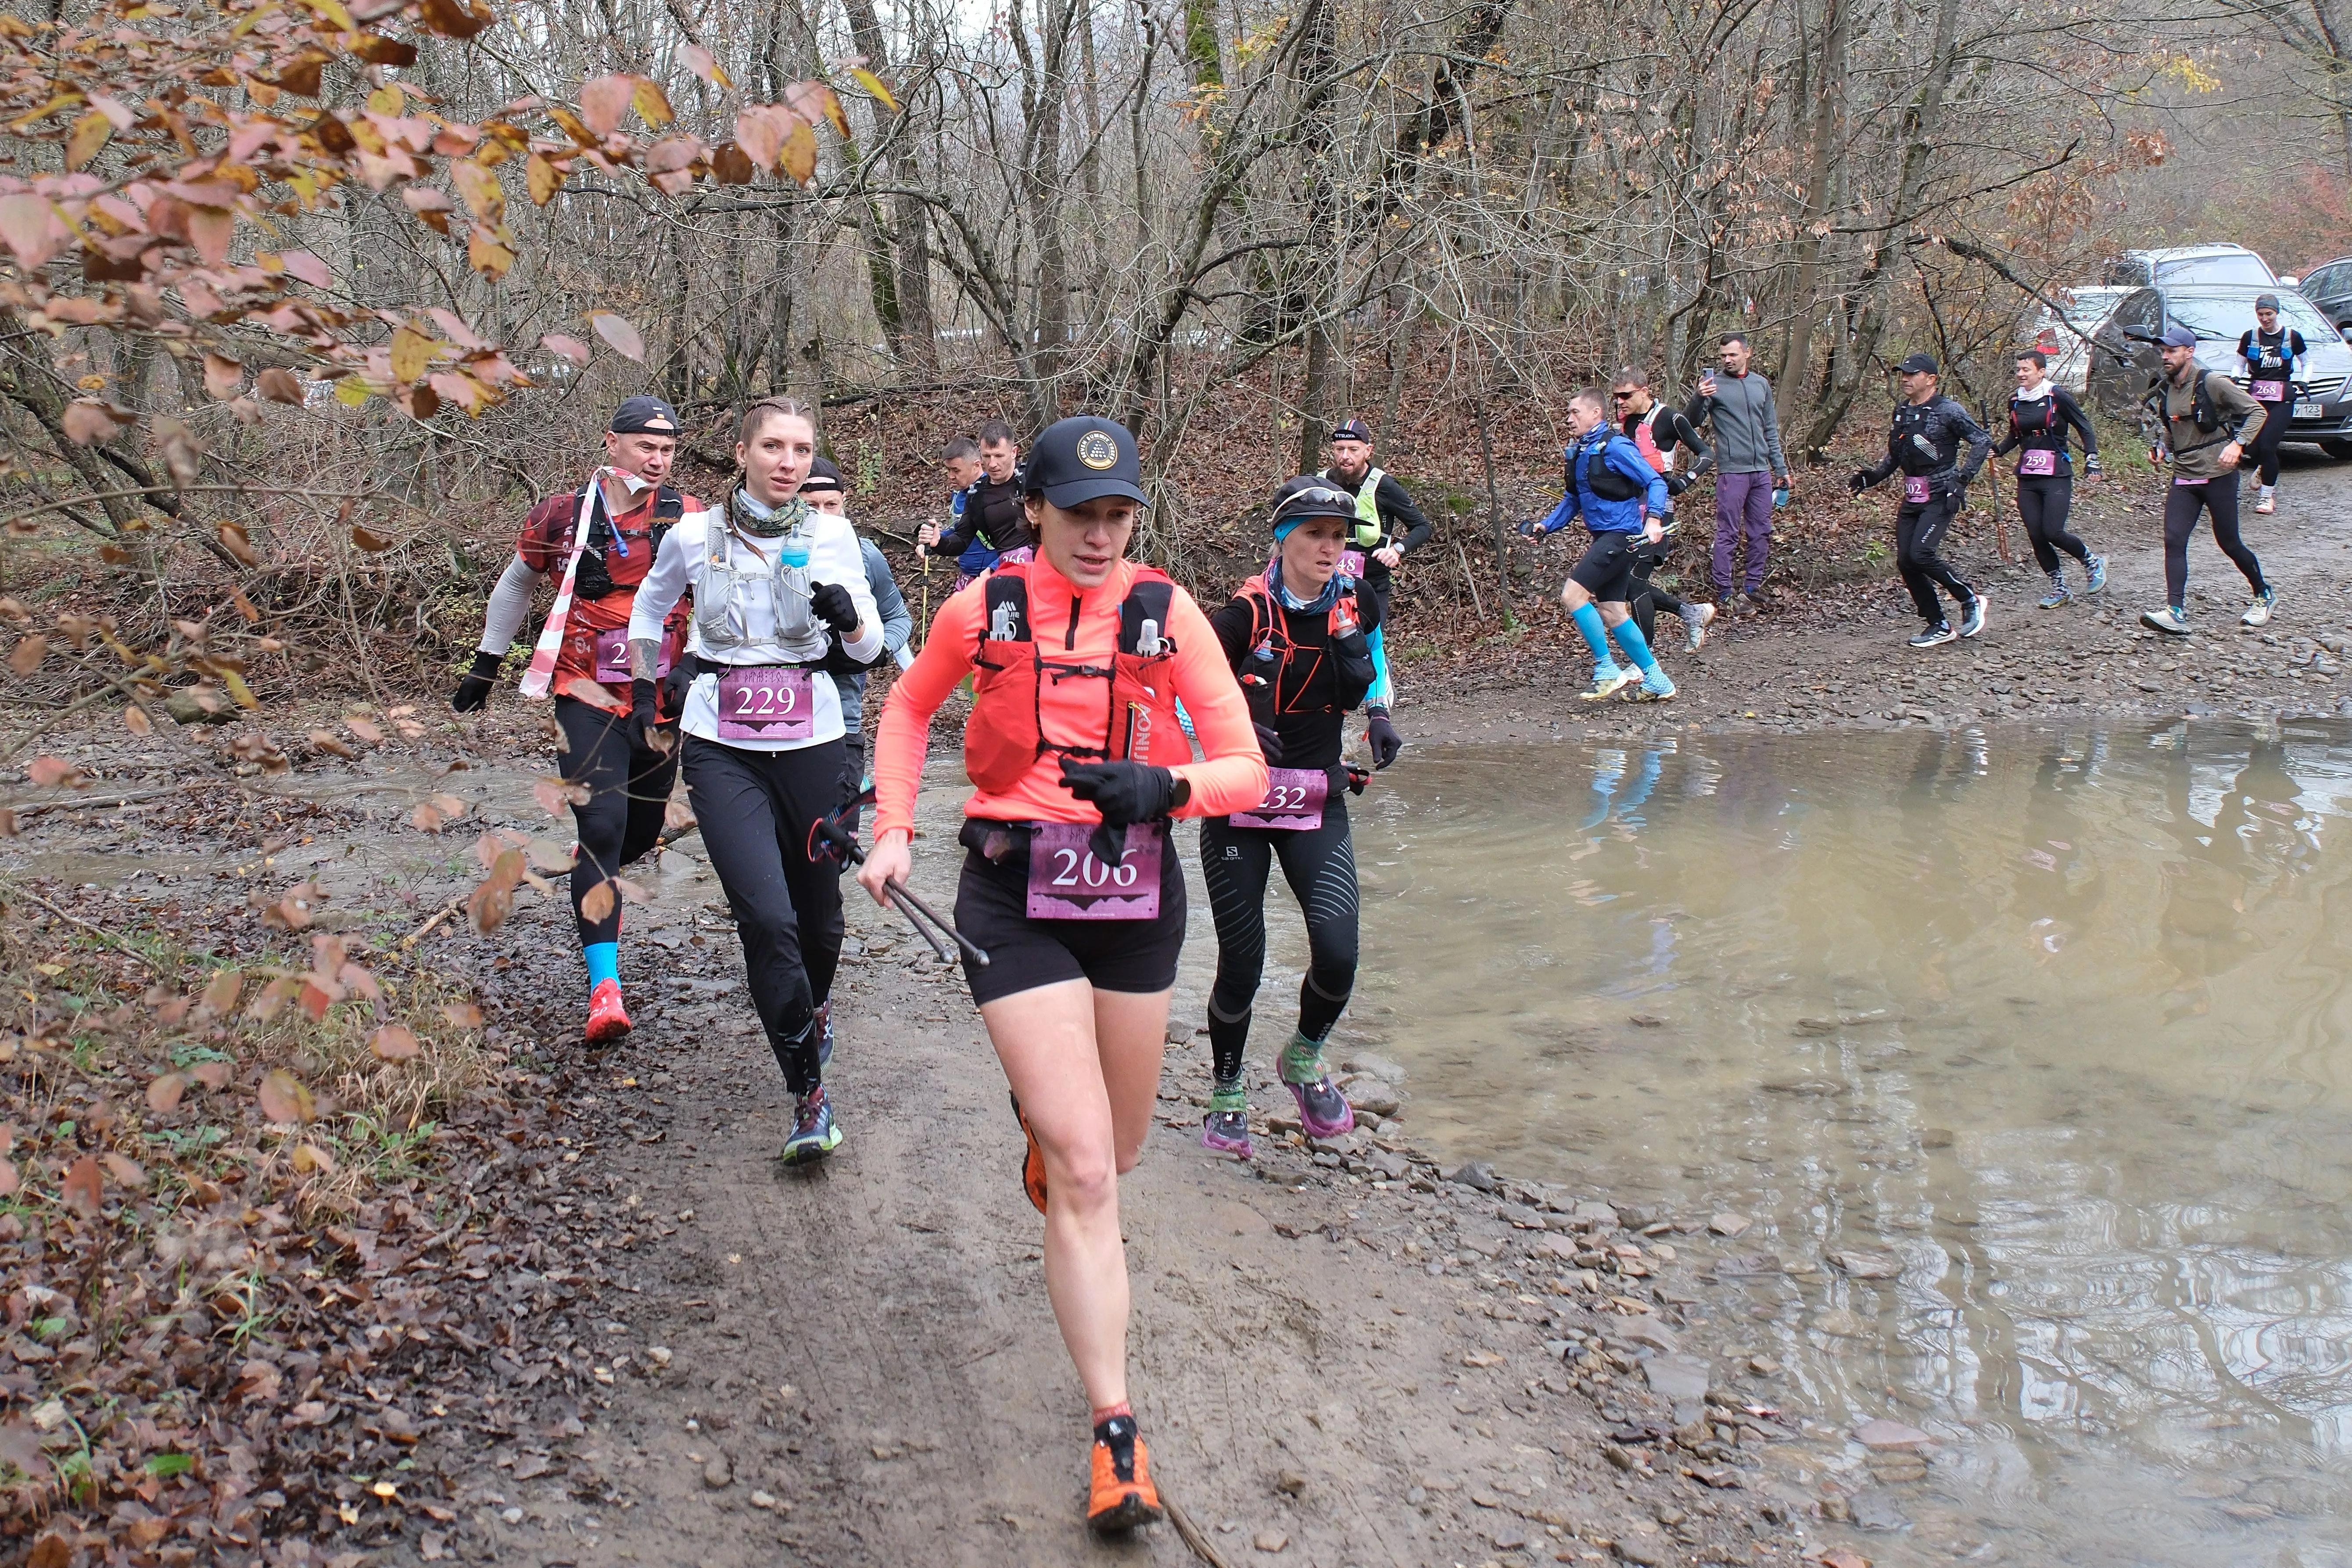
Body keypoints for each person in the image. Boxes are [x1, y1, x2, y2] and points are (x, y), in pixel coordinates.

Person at [861, 416, 1266, 1533]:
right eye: (1080, 514)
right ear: (1032, 508)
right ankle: (1114, 1431)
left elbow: (1244, 767)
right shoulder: (982, 607)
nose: (1100, 534)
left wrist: (1165, 787)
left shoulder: (1167, 612)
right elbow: (907, 707)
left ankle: (1051, 1125)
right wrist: (893, 828)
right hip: (1012, 889)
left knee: (1116, 1153)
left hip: (1135, 901)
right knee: (1088, 1172)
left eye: (1118, 515)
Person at [626, 398, 884, 1163]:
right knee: (768, 920)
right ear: (742, 453)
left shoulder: (834, 536)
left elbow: (869, 649)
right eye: (773, 446)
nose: (789, 461)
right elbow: (648, 608)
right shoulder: (692, 535)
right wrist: (645, 686)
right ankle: (809, 1095)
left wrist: (849, 618)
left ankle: (816, 1002)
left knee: (819, 921)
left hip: (814, 743)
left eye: (801, 449)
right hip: (721, 746)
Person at [450, 395, 697, 1045]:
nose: (658, 459)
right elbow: (516, 585)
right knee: (602, 826)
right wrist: (486, 663)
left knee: (636, 834)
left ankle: (597, 863)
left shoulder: (689, 515)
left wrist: (697, 662)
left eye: (668, 449)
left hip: (661, 696)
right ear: (611, 443)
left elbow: (722, 594)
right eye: (646, 446)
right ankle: (604, 989)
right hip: (583, 691)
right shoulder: (560, 515)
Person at [1198, 478, 1401, 1160]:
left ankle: (1303, 1056)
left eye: (1339, 536)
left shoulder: (1356, 598)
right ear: (1283, 539)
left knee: (1339, 953)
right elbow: (1183, 688)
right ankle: (1228, 1088)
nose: (1329, 547)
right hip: (1239, 802)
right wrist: (1233, 726)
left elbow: (1374, 655)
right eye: (1314, 533)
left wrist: (1379, 714)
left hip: (1315, 795)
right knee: (1244, 961)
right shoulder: (1244, 614)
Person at [1518, 388, 1676, 700]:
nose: (1569, 419)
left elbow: (1656, 482)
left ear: (1596, 414)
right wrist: (1546, 526)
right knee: (1613, 611)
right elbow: (1573, 499)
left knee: (1572, 595)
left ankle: (1607, 668)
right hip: (1605, 537)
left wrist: (1654, 518)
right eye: (1568, 413)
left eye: (1575, 413)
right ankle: (1658, 680)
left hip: (1622, 536)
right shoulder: (1580, 452)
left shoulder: (1617, 447)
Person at [1847, 352, 1993, 649]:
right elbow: (1898, 454)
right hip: (1913, 495)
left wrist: (1961, 481)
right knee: (1906, 561)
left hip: (1941, 494)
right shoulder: (1902, 410)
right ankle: (1938, 624)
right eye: (1903, 374)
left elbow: (1982, 441)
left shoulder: (1949, 410)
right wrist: (1873, 477)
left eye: (1913, 374)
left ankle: (1970, 599)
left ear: (1931, 379)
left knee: (1922, 553)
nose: (1905, 379)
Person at [2140, 324, 2273, 633]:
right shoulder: (2164, 389)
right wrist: (2162, 450)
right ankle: (2175, 611)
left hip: (2218, 475)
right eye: (2163, 351)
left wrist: (2238, 444)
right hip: (2185, 476)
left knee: (2229, 542)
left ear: (2190, 352)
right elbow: (2171, 430)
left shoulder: (2212, 382)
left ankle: (2263, 594)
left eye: (2172, 351)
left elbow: (2257, 412)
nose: (2166, 356)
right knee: (2173, 540)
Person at [1319, 416, 1431, 712]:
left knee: (1366, 644)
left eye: (1353, 450)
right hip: (1328, 581)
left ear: (1368, 451)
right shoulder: (1321, 483)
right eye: (1339, 449)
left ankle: (1378, 701)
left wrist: (1398, 549)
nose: (1345, 456)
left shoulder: (1384, 486)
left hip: (1371, 584)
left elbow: (1423, 527)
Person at [1611, 366, 1718, 651]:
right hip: (1629, 510)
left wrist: (1684, 481)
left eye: (1626, 396)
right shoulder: (1625, 423)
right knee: (1624, 585)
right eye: (1616, 397)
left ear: (1644, 392)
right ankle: (1691, 614)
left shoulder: (1670, 418)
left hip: (1658, 509)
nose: (1620, 402)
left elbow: (1707, 453)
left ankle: (1643, 659)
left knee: (1634, 584)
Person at [1992, 349, 2106, 609]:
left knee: (2053, 531)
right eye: (2018, 370)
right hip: (2028, 475)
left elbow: (2085, 427)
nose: (2021, 374)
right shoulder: (2015, 400)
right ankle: (2060, 588)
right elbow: (2016, 435)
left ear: (2041, 372)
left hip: (2056, 473)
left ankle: (2091, 562)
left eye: (2026, 370)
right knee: (2036, 534)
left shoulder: (2057, 396)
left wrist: (2092, 459)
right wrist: (1998, 450)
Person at [1685, 332, 1790, 613]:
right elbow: (1691, 422)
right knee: (1728, 533)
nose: (1727, 360)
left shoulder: (1761, 385)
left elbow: (1770, 429)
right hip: (1732, 472)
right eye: (1723, 356)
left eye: (1733, 354)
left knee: (1761, 531)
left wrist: (1780, 469)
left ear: (1747, 353)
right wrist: (1698, 397)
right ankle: (1724, 592)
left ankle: (1752, 588)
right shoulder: (1714, 385)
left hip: (1761, 472)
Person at [919, 418, 1031, 588]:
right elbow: (962, 540)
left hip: (1041, 566)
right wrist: (938, 542)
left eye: (999, 456)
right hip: (1006, 573)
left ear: (1014, 452)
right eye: (987, 456)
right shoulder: (977, 494)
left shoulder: (1032, 478)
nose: (992, 464)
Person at [2237, 293, 2305, 515]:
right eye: (2260, 314)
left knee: (2267, 446)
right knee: (2250, 446)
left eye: (2269, 314)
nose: (2265, 319)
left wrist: (2304, 380)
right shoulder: (2250, 336)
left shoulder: (2291, 336)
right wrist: (2234, 377)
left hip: (2282, 399)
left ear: (2277, 313)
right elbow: (2239, 363)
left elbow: (2308, 361)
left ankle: (2267, 497)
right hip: (2255, 397)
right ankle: (2264, 465)